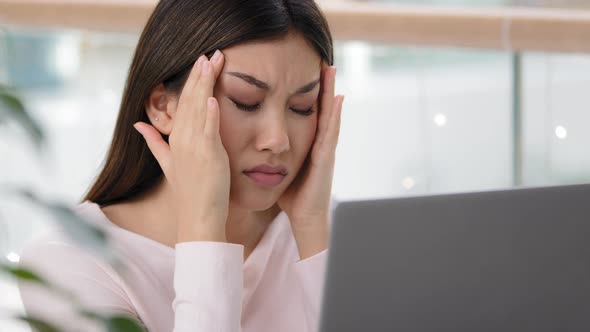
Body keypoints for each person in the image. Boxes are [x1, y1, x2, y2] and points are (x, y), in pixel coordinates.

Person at [17, 0, 344, 331]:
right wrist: (204, 229)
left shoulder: (334, 234)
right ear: (163, 106)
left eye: (303, 107)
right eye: (246, 101)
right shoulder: (70, 262)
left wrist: (315, 231)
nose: (278, 140)